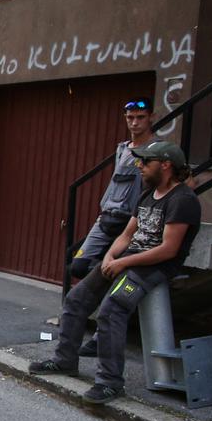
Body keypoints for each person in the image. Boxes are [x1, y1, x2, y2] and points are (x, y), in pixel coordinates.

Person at [30, 140, 203, 405]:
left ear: (166, 165)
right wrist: (110, 257)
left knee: (111, 310)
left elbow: (168, 250)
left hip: (152, 268)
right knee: (76, 299)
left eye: (146, 161)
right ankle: (65, 360)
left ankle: (110, 383)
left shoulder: (183, 200)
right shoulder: (147, 194)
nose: (139, 166)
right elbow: (127, 234)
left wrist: (123, 263)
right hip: (126, 259)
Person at [69, 99, 156, 357]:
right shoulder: (123, 148)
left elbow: (184, 181)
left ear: (151, 117)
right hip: (108, 216)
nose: (134, 122)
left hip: (133, 221)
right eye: (130, 117)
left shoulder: (158, 150)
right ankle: (96, 288)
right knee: (78, 265)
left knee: (119, 277)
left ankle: (99, 338)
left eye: (140, 117)